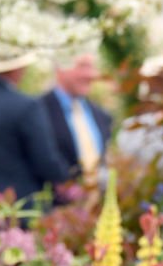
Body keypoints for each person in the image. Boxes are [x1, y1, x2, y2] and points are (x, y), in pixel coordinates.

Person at [0, 52, 70, 219]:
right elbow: (47, 164)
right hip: (20, 215)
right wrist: (68, 178)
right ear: (17, 69)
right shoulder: (26, 106)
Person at [40, 52, 113, 182]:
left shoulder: (103, 116)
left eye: (92, 67)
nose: (91, 74)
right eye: (82, 66)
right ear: (60, 68)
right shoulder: (38, 112)